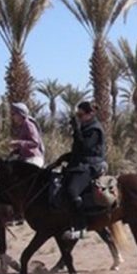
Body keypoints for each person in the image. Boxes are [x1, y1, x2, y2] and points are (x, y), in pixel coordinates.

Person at [47, 101, 107, 240]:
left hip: (91, 165)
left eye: (81, 115)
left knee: (72, 190)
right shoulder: (86, 127)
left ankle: (81, 226)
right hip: (80, 165)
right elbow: (76, 151)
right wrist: (60, 160)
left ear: (90, 114)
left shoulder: (95, 129)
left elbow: (85, 148)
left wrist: (77, 129)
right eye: (77, 115)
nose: (79, 118)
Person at [9, 102, 45, 167]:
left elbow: (35, 143)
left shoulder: (28, 125)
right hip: (25, 159)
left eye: (13, 114)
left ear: (20, 114)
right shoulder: (22, 126)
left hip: (33, 158)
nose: (12, 116)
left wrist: (18, 143)